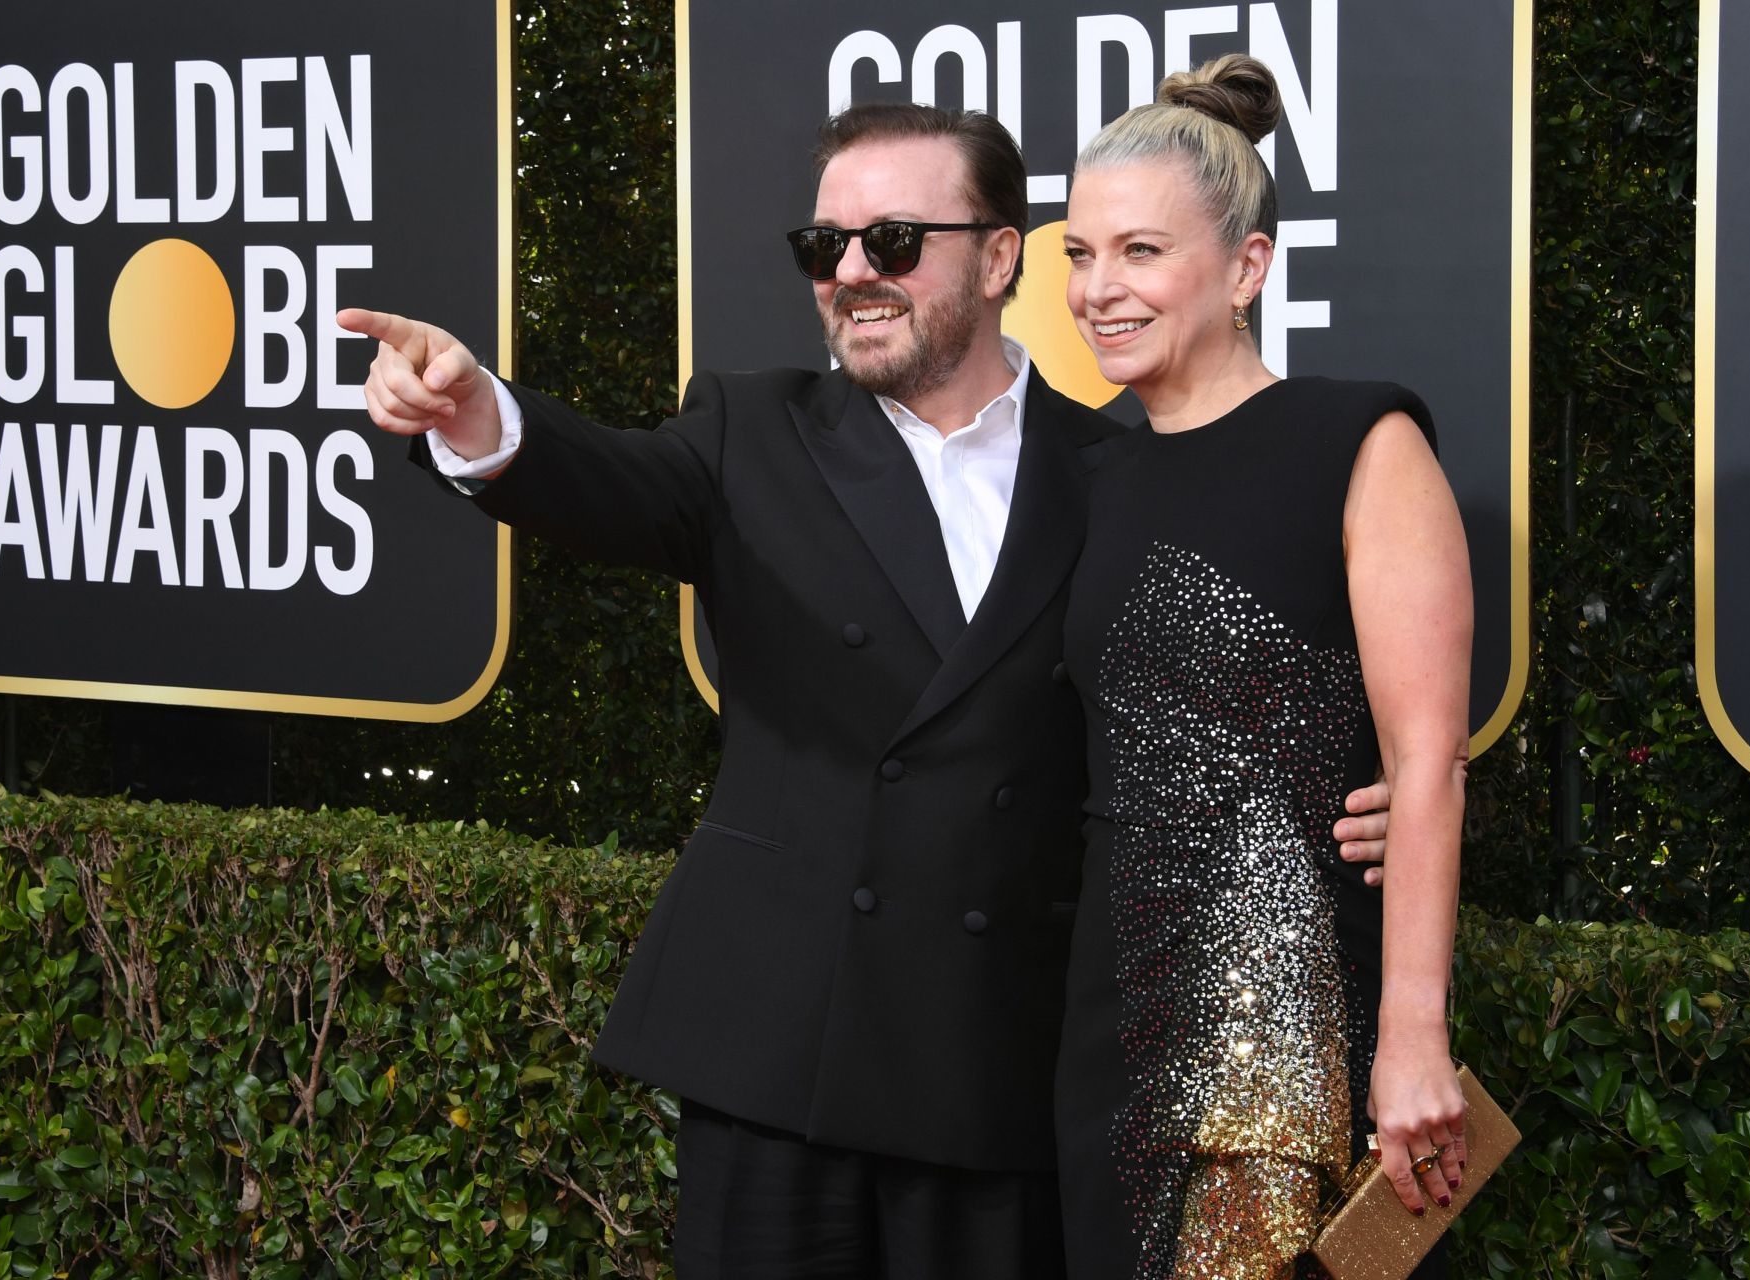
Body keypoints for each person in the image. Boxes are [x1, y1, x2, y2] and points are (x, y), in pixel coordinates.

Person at [342, 101, 1392, 1279]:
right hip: (784, 1056)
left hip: (996, 1066)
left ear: (999, 258)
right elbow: (607, 481)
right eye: (822, 246)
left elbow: (1216, 702)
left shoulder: (1113, 468)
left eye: (892, 240)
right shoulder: (753, 427)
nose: (850, 271)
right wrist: (481, 416)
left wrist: (1378, 789)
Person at [1052, 54, 1471, 1280]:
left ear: (1247, 266)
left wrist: (1412, 1039)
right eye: (1079, 254)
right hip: (1115, 1027)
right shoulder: (1090, 477)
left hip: (1304, 1033)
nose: (1097, 289)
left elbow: (1426, 759)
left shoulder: (1360, 441)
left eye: (1139, 251)